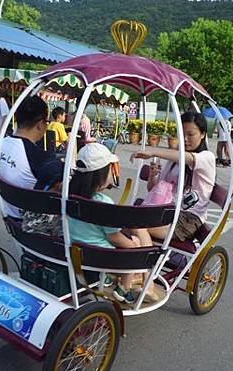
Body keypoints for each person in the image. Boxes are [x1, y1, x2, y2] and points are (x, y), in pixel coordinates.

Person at [69, 143, 160, 304]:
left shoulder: (70, 196)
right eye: (112, 169)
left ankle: (111, 280)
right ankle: (123, 289)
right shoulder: (104, 203)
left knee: (131, 242)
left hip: (76, 250)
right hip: (102, 257)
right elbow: (114, 238)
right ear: (103, 173)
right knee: (135, 245)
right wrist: (133, 244)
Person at [132, 111, 216, 242]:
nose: (185, 139)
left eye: (190, 134)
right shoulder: (174, 159)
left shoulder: (206, 158)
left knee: (138, 226)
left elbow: (188, 159)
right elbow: (153, 190)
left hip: (187, 218)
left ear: (203, 134)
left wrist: (154, 151)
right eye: (182, 134)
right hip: (166, 209)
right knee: (127, 222)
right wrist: (152, 176)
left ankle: (147, 260)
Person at [0, 94, 55, 219]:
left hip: (7, 214)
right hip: (28, 222)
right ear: (40, 124)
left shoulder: (1, 144)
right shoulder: (39, 157)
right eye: (47, 122)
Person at [21, 159, 64, 236]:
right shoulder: (52, 212)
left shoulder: (31, 196)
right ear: (59, 184)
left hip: (29, 240)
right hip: (48, 243)